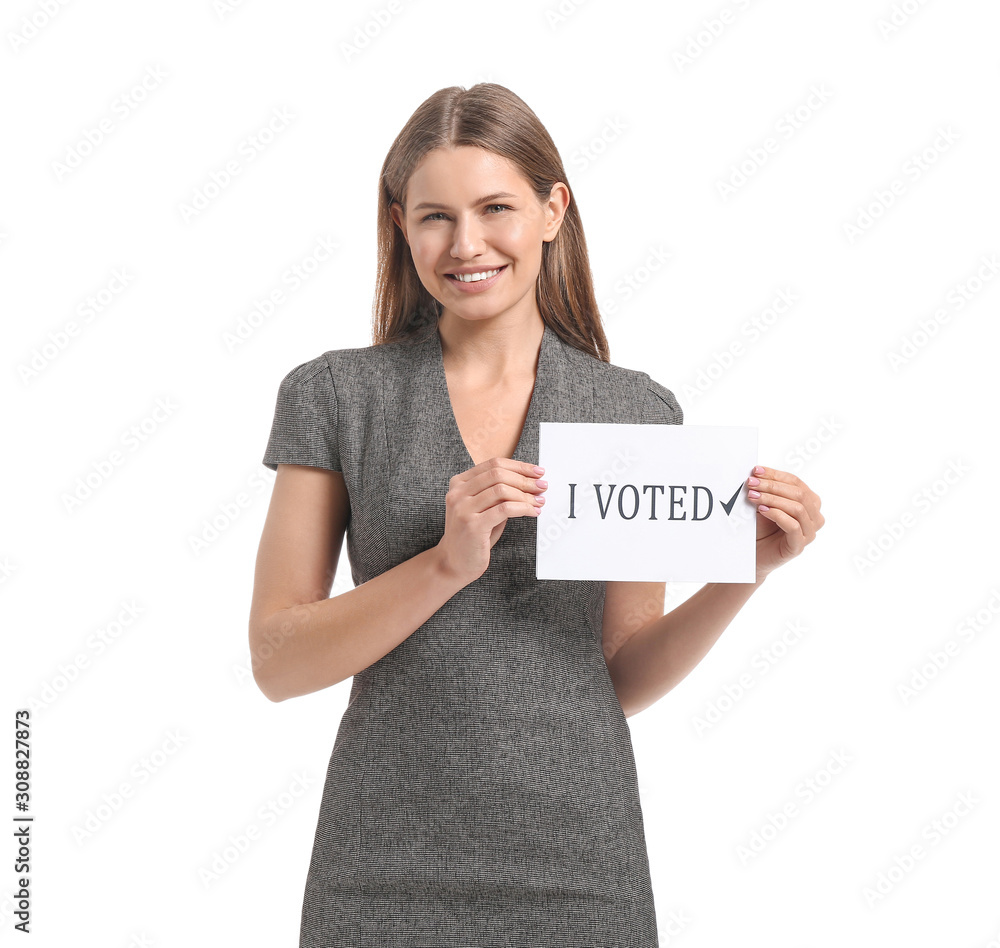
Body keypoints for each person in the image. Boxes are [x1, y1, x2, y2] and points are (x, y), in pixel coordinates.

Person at [249, 82, 823, 947]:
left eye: (496, 208)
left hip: (580, 871)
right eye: (435, 215)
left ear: (554, 210)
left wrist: (746, 571)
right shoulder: (337, 397)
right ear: (400, 224)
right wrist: (445, 564)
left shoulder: (633, 414)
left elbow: (621, 675)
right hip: (381, 868)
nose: (467, 243)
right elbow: (277, 662)